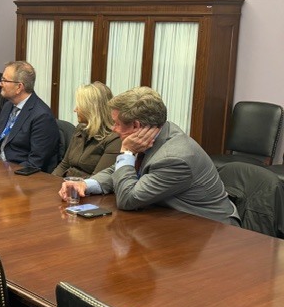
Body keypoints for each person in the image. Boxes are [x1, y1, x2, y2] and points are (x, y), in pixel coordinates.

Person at [58, 86, 240, 225]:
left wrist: (127, 152)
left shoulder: (175, 158)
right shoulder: (157, 132)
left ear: (136, 126)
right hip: (168, 219)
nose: (113, 130)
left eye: (117, 124)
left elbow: (128, 199)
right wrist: (86, 184)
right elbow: (122, 169)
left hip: (209, 230)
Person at [0, 61, 59, 172]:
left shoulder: (42, 116)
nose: (0, 84)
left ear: (19, 87)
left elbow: (35, 162)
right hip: (0, 169)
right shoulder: (8, 106)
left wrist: (8, 175)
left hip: (21, 176)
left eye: (4, 80)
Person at [52, 81, 121, 178]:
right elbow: (64, 165)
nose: (75, 110)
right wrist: (50, 183)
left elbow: (98, 180)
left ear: (91, 109)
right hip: (66, 184)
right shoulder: (81, 128)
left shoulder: (114, 139)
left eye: (79, 106)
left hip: (87, 189)